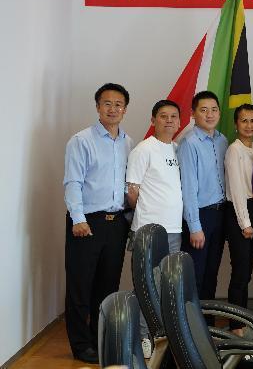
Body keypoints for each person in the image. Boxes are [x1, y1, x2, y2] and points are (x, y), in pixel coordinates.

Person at [63, 83, 133, 364]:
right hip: (87, 223)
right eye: (107, 103)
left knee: (107, 286)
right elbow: (73, 182)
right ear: (97, 107)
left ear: (125, 109)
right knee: (80, 286)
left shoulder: (128, 142)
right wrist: (78, 219)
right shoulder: (81, 140)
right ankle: (81, 345)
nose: (113, 109)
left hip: (116, 224)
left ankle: (99, 340)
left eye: (118, 104)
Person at [126, 99, 183, 353]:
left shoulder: (177, 149)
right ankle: (143, 335)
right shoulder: (144, 149)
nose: (169, 120)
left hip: (174, 229)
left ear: (179, 122)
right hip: (149, 229)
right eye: (163, 116)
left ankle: (161, 334)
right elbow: (132, 192)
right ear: (153, 120)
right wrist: (149, 211)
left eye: (173, 116)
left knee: (166, 285)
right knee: (146, 284)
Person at [178, 90, 229, 302]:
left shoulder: (222, 140)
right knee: (195, 274)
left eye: (214, 110)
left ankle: (206, 319)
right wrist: (194, 226)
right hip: (199, 215)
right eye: (204, 110)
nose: (210, 114)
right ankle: (191, 320)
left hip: (220, 214)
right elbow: (188, 188)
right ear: (193, 114)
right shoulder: (189, 143)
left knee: (211, 272)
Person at [223, 103, 253, 336]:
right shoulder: (234, 150)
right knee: (239, 270)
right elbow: (237, 189)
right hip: (240, 211)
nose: (249, 125)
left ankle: (244, 318)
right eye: (244, 120)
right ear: (236, 124)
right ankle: (235, 325)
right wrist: (245, 223)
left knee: (246, 270)